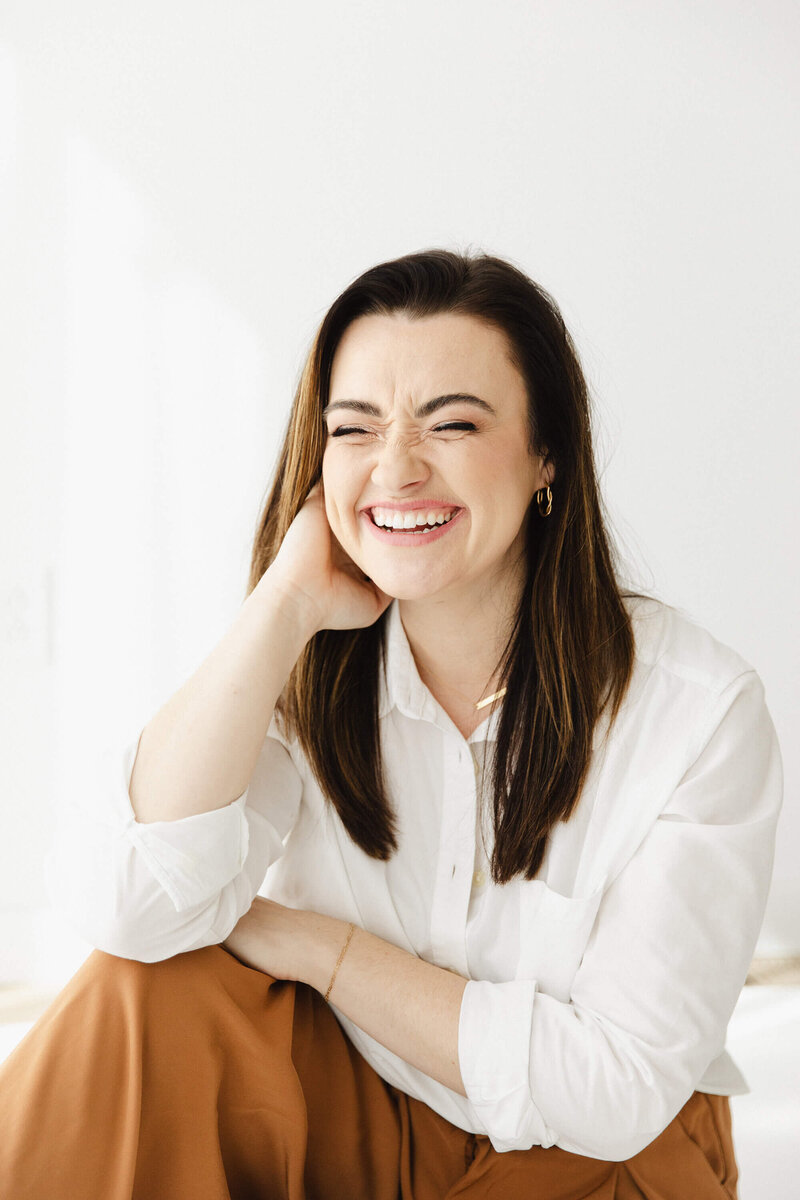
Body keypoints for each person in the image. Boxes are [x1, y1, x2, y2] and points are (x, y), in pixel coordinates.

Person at [0, 249, 782, 1200]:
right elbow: (128, 908)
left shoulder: (696, 708)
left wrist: (327, 952)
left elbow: (617, 1088)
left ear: (548, 455)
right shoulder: (306, 661)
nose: (396, 468)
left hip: (594, 1154)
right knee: (137, 993)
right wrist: (283, 602)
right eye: (354, 428)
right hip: (358, 1109)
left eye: (451, 424)